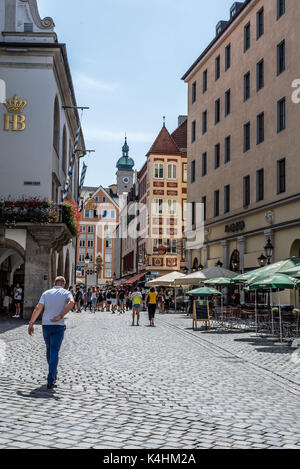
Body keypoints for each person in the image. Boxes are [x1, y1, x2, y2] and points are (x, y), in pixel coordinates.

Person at [28, 276, 75, 390]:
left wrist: (31, 323)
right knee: (54, 352)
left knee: (49, 350)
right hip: (58, 326)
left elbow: (38, 308)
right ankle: (51, 378)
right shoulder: (66, 293)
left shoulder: (46, 293)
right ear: (63, 283)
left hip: (46, 325)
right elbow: (72, 302)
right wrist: (61, 315)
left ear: (54, 283)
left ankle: (53, 373)